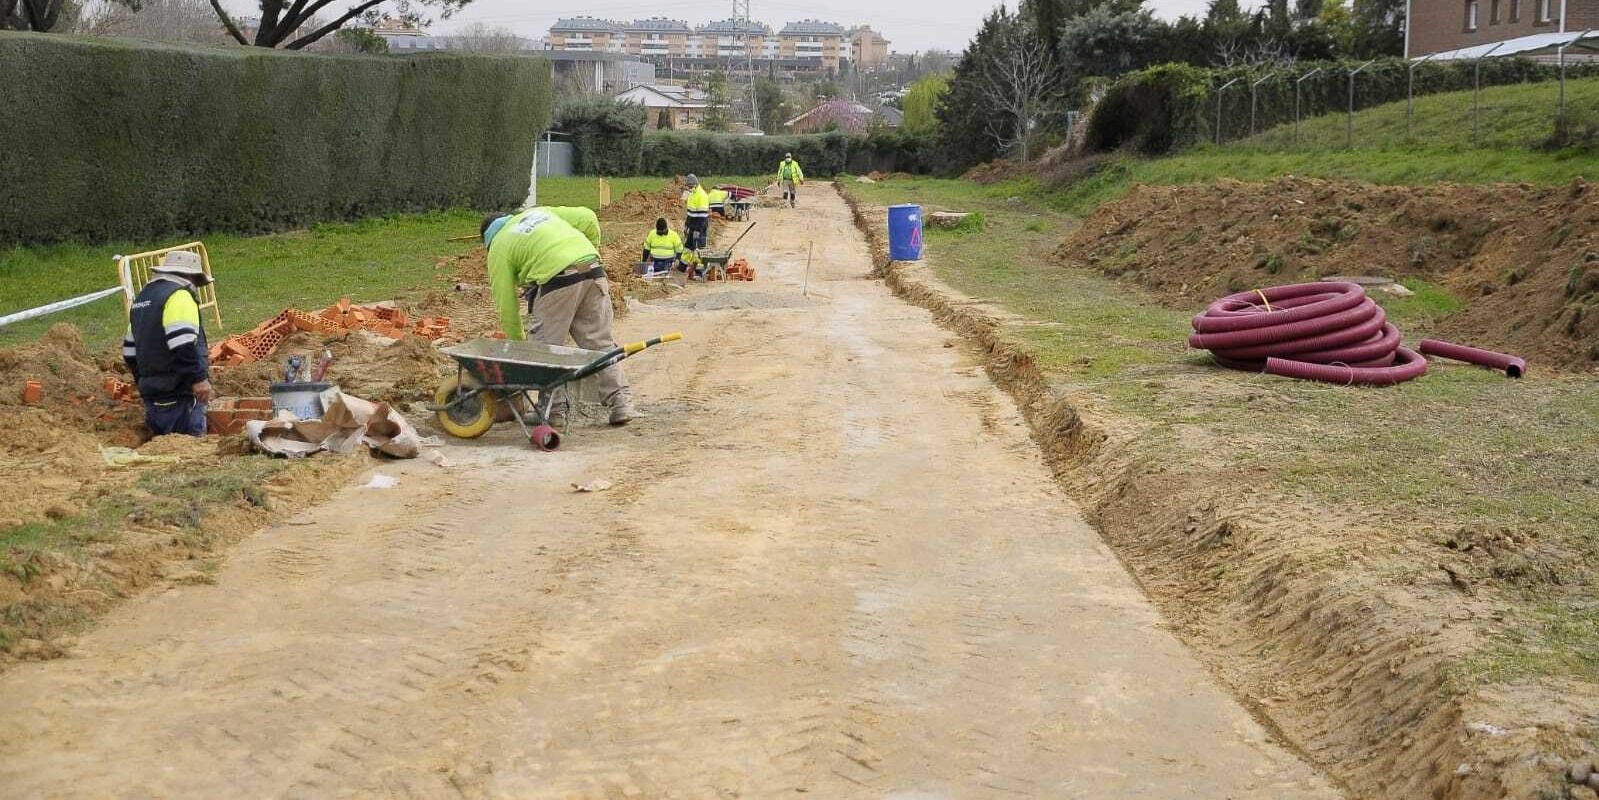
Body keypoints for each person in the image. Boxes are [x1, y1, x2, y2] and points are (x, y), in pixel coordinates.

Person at [482, 206, 636, 426]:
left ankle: (553, 412)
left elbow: (507, 305)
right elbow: (588, 217)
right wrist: (589, 252)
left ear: (487, 240)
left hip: (557, 280)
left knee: (546, 351)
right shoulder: (539, 213)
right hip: (592, 268)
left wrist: (519, 349)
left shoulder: (498, 246)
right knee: (599, 343)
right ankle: (621, 403)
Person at [123, 251, 213, 437]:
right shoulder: (179, 296)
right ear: (189, 276)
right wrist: (197, 379)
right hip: (180, 392)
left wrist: (144, 380)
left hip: (152, 394)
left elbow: (129, 351)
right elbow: (183, 344)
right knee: (190, 453)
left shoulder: (142, 300)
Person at [684, 174, 711, 251]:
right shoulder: (692, 194)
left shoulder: (702, 195)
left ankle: (701, 262)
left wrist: (698, 230)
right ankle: (685, 263)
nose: (689, 188)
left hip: (700, 226)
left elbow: (702, 216)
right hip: (692, 225)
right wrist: (687, 225)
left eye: (690, 186)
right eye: (688, 186)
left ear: (695, 184)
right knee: (688, 247)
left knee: (699, 249)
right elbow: (690, 213)